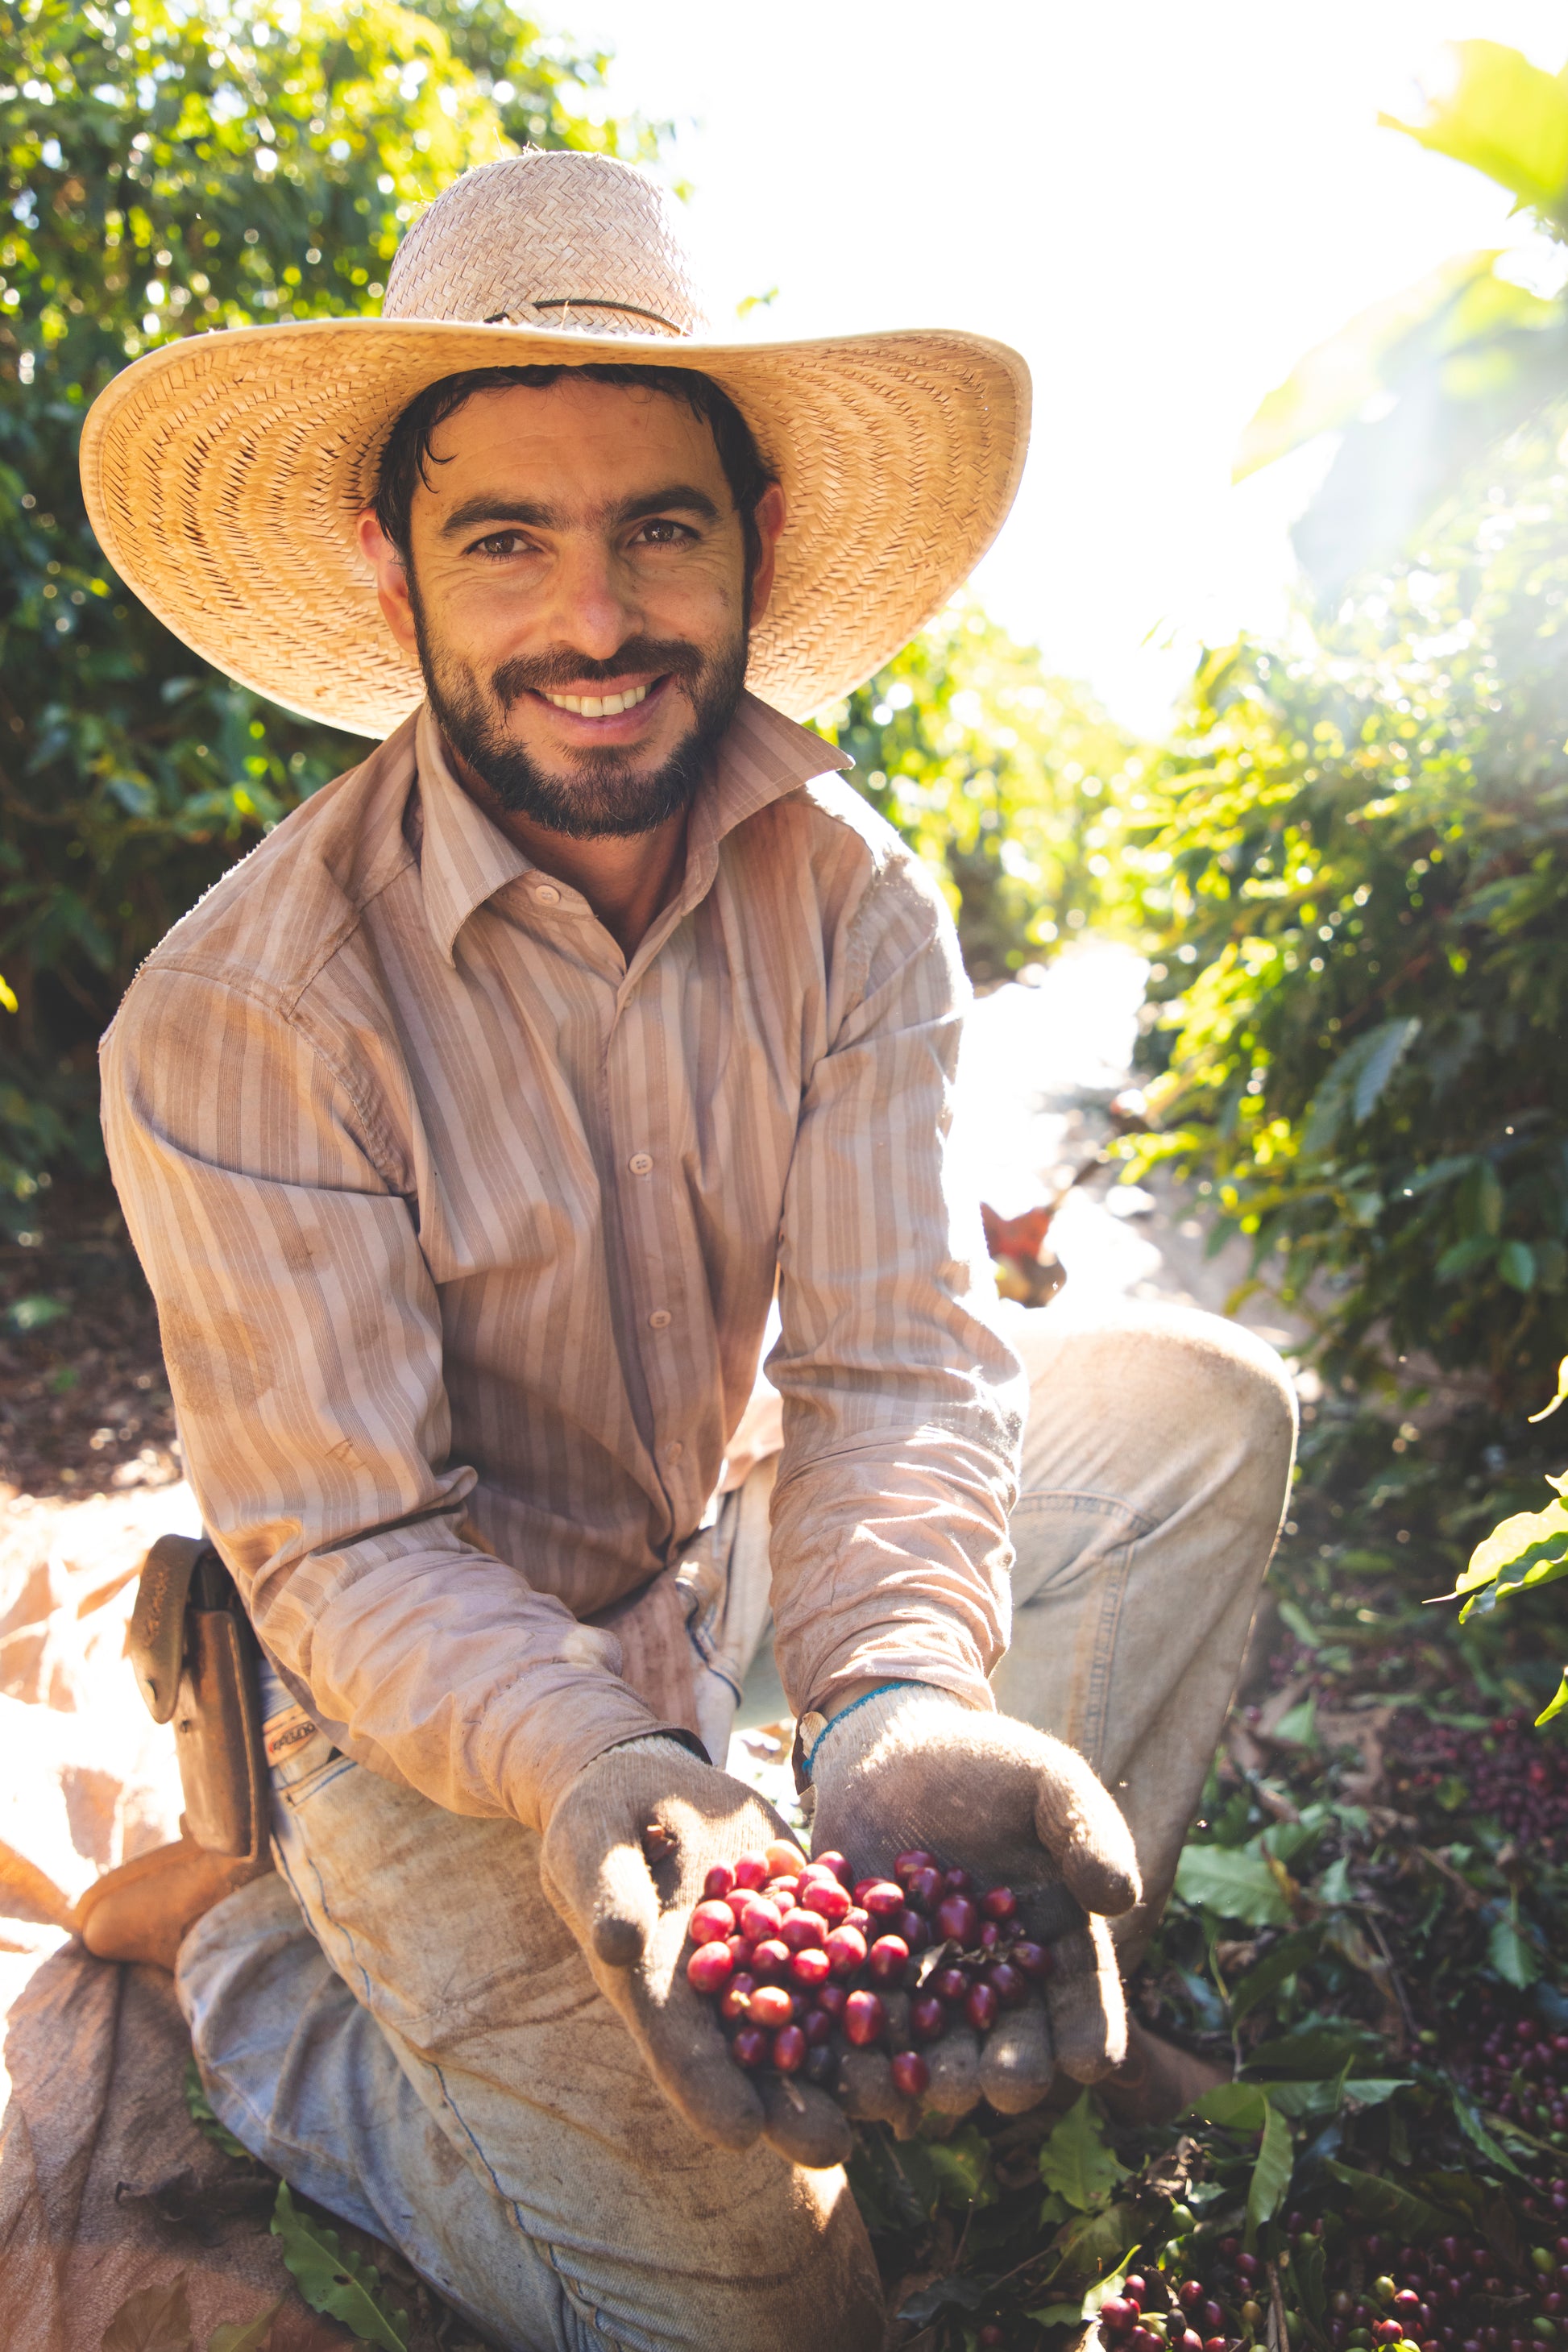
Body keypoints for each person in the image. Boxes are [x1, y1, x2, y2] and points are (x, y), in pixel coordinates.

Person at [81, 150, 1296, 2351]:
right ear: (391, 576)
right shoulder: (245, 1011)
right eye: (503, 539)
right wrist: (593, 1764)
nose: (595, 620)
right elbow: (352, 1543)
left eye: (658, 523)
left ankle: (898, 1886)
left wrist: (895, 1703)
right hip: (417, 1709)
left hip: (707, 1565)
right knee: (772, 2322)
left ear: (753, 548)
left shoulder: (849, 901)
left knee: (1199, 1414)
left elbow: (894, 1370)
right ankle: (263, 1964)